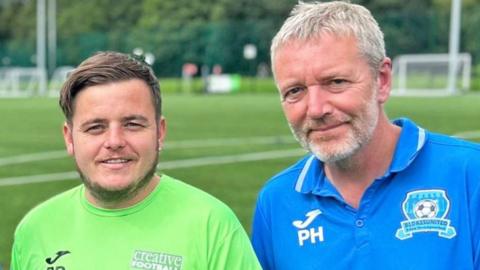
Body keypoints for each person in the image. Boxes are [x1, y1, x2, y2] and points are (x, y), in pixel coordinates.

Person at [251, 1, 480, 270]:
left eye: (336, 82)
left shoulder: (469, 174)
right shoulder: (277, 201)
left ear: (381, 80)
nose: (315, 109)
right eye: (295, 91)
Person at [11, 51, 261, 270]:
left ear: (159, 132)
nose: (114, 141)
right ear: (69, 138)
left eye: (132, 124)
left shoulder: (213, 226)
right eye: (95, 127)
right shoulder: (34, 230)